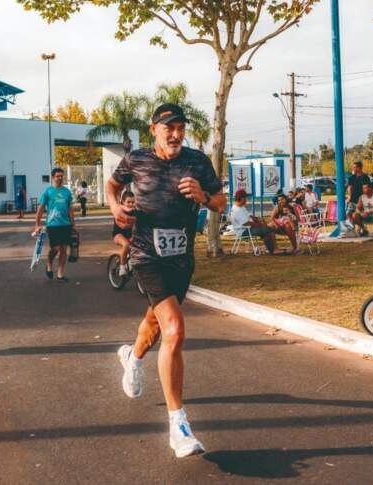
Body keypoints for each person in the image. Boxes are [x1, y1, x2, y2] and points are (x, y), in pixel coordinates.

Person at [107, 102, 226, 458]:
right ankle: (179, 426)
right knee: (174, 327)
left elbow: (220, 201)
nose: (175, 134)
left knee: (154, 323)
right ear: (153, 129)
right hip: (146, 255)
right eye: (168, 128)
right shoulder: (137, 160)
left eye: (180, 128)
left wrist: (204, 197)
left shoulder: (197, 162)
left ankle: (133, 357)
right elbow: (113, 186)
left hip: (181, 258)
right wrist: (115, 209)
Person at [35, 167, 75, 281]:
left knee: (64, 249)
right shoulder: (48, 191)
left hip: (66, 224)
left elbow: (70, 209)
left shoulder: (67, 192)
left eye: (61, 176)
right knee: (56, 248)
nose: (60, 178)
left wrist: (73, 225)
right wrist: (37, 225)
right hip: (52, 224)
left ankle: (60, 274)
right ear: (53, 177)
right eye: (57, 176)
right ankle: (49, 264)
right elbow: (40, 209)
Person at [229, 189, 276, 254]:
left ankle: (271, 249)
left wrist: (258, 219)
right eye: (246, 198)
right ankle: (274, 249)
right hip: (244, 231)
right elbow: (246, 223)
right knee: (268, 230)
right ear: (242, 198)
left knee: (266, 230)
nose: (246, 200)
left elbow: (249, 216)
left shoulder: (241, 207)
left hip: (249, 228)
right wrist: (259, 225)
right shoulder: (237, 210)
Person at [112, 191, 137, 276]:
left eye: (133, 202)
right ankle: (122, 267)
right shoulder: (119, 210)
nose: (131, 204)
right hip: (118, 235)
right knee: (126, 245)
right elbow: (124, 226)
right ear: (123, 202)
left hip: (130, 235)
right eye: (128, 202)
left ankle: (129, 261)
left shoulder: (135, 211)